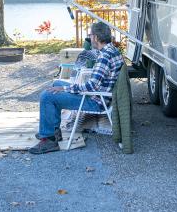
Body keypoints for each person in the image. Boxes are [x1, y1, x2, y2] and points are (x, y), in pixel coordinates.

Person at [29, 22, 123, 154]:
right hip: (100, 95)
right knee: (57, 84)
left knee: (47, 96)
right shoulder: (112, 50)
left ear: (95, 37)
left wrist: (66, 89)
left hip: (96, 101)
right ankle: (54, 132)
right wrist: (65, 87)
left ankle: (49, 140)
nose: (89, 38)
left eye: (90, 35)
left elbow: (91, 86)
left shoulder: (104, 56)